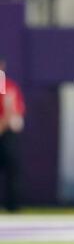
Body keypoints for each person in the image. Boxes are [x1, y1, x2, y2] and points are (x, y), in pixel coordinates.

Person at [0, 58, 25, 211]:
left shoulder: (7, 86)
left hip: (7, 134)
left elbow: (12, 112)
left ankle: (13, 206)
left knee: (12, 168)